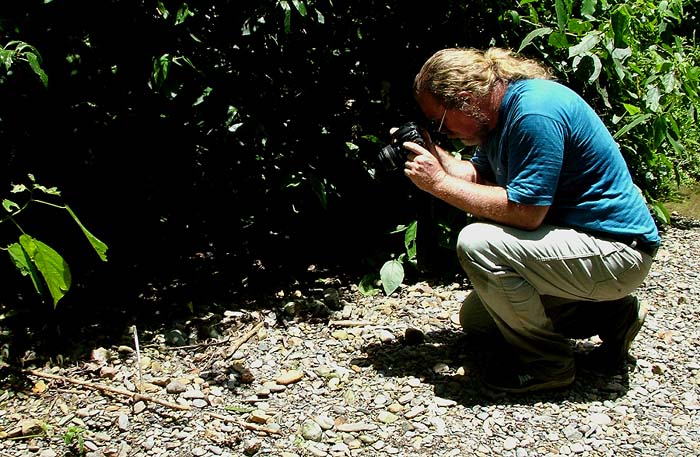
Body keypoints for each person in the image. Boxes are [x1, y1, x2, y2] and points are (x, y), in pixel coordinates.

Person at [400, 47, 661, 394]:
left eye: (441, 122)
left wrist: (438, 184)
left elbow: (526, 212)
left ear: (465, 99)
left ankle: (546, 366)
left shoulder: (534, 112)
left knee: (477, 242)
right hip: (581, 246)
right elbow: (477, 175)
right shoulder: (495, 118)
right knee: (479, 321)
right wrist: (434, 154)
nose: (443, 131)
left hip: (617, 250)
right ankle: (613, 314)